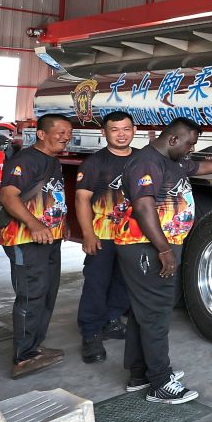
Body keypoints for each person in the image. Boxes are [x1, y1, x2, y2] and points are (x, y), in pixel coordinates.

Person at [118, 118, 212, 403]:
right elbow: (144, 208)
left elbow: (202, 168)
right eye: (190, 143)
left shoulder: (174, 160)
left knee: (142, 312)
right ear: (173, 140)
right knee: (156, 314)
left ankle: (139, 373)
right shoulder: (147, 162)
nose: (192, 149)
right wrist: (164, 250)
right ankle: (159, 382)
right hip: (146, 249)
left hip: (158, 246)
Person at [0, 113, 72, 378]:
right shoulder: (26, 160)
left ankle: (33, 348)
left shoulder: (51, 160)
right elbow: (8, 195)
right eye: (60, 132)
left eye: (68, 132)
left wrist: (61, 225)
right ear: (41, 134)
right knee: (31, 295)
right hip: (26, 239)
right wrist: (35, 225)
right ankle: (22, 357)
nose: (66, 136)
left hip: (48, 239)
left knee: (47, 293)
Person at [74, 111, 135, 364]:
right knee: (96, 282)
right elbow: (82, 199)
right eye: (115, 129)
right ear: (104, 133)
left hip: (132, 235)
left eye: (126, 129)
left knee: (124, 280)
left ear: (133, 130)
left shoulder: (143, 159)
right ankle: (90, 333)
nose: (121, 134)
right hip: (103, 234)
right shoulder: (95, 162)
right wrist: (88, 234)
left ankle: (112, 320)